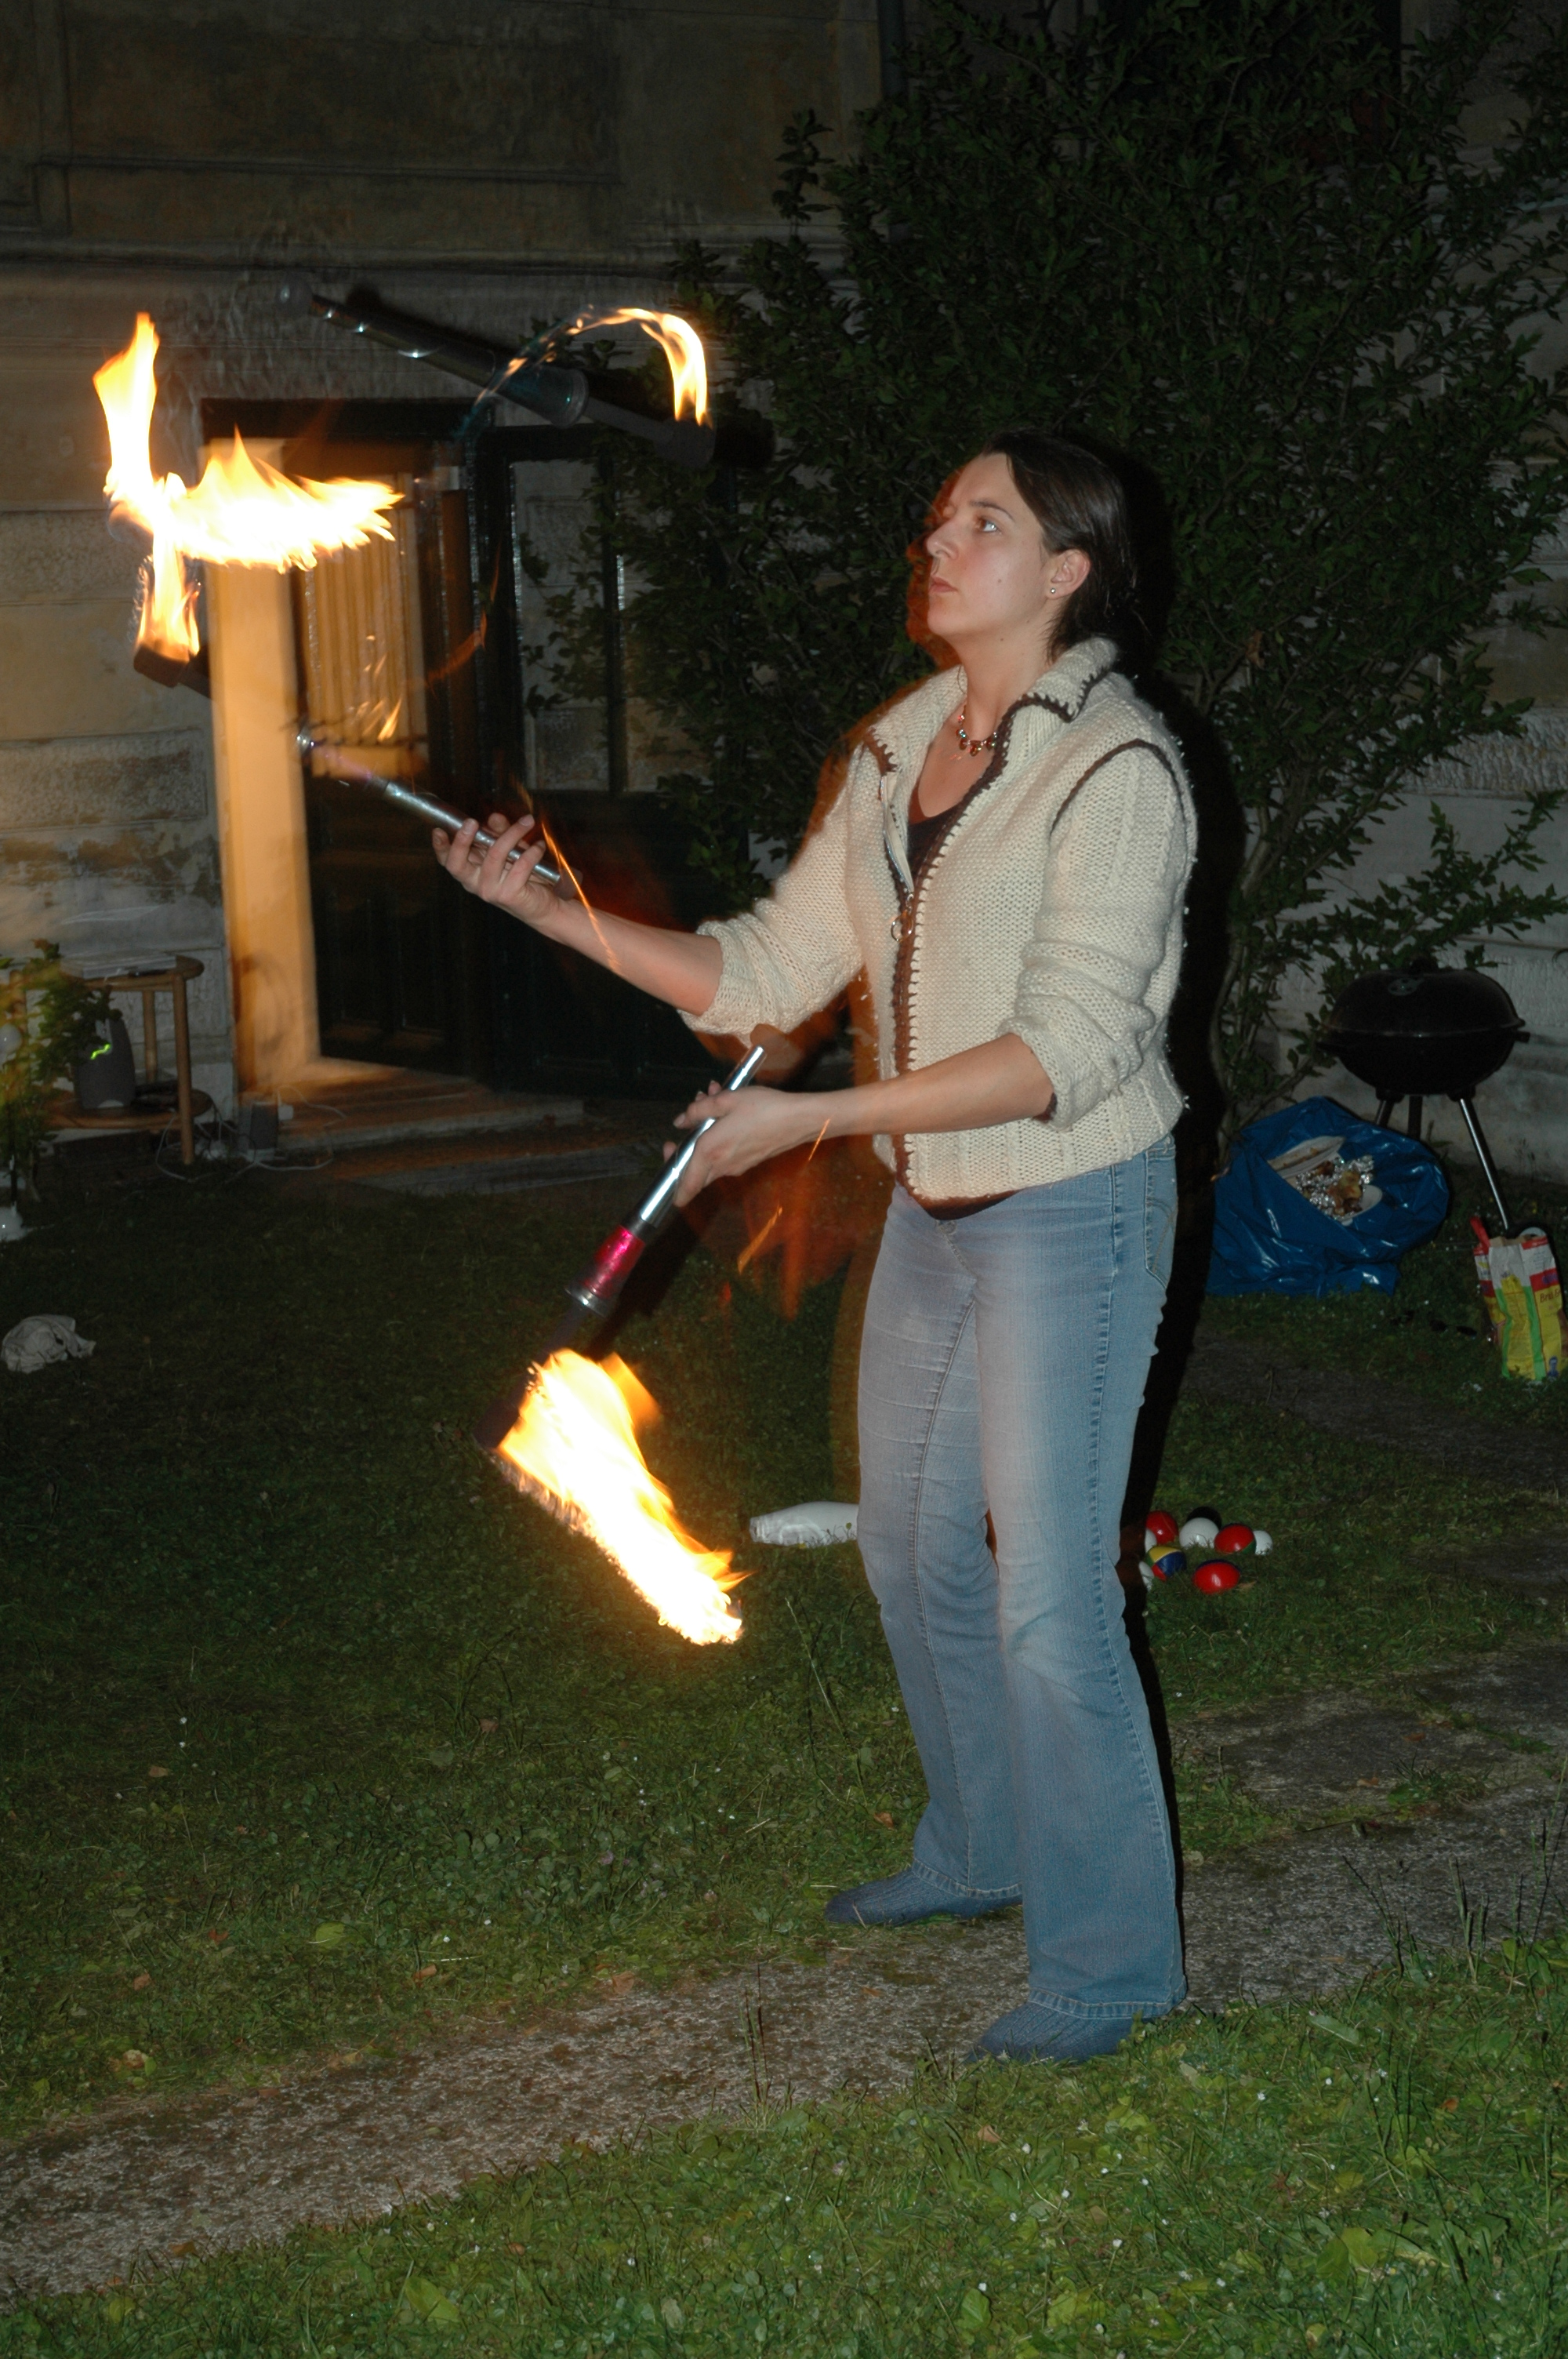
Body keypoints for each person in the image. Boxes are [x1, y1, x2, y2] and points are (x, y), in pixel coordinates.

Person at [435, 431, 1196, 2063]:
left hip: (1071, 1204)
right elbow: (765, 970)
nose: (940, 542)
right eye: (938, 516)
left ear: (1066, 571)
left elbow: (1060, 1052)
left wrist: (810, 1121)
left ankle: (1111, 1964)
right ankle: (981, 1848)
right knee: (909, 1548)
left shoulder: (1117, 771)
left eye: (982, 523)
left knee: (1050, 1597)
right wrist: (547, 908)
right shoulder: (898, 745)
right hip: (932, 1206)